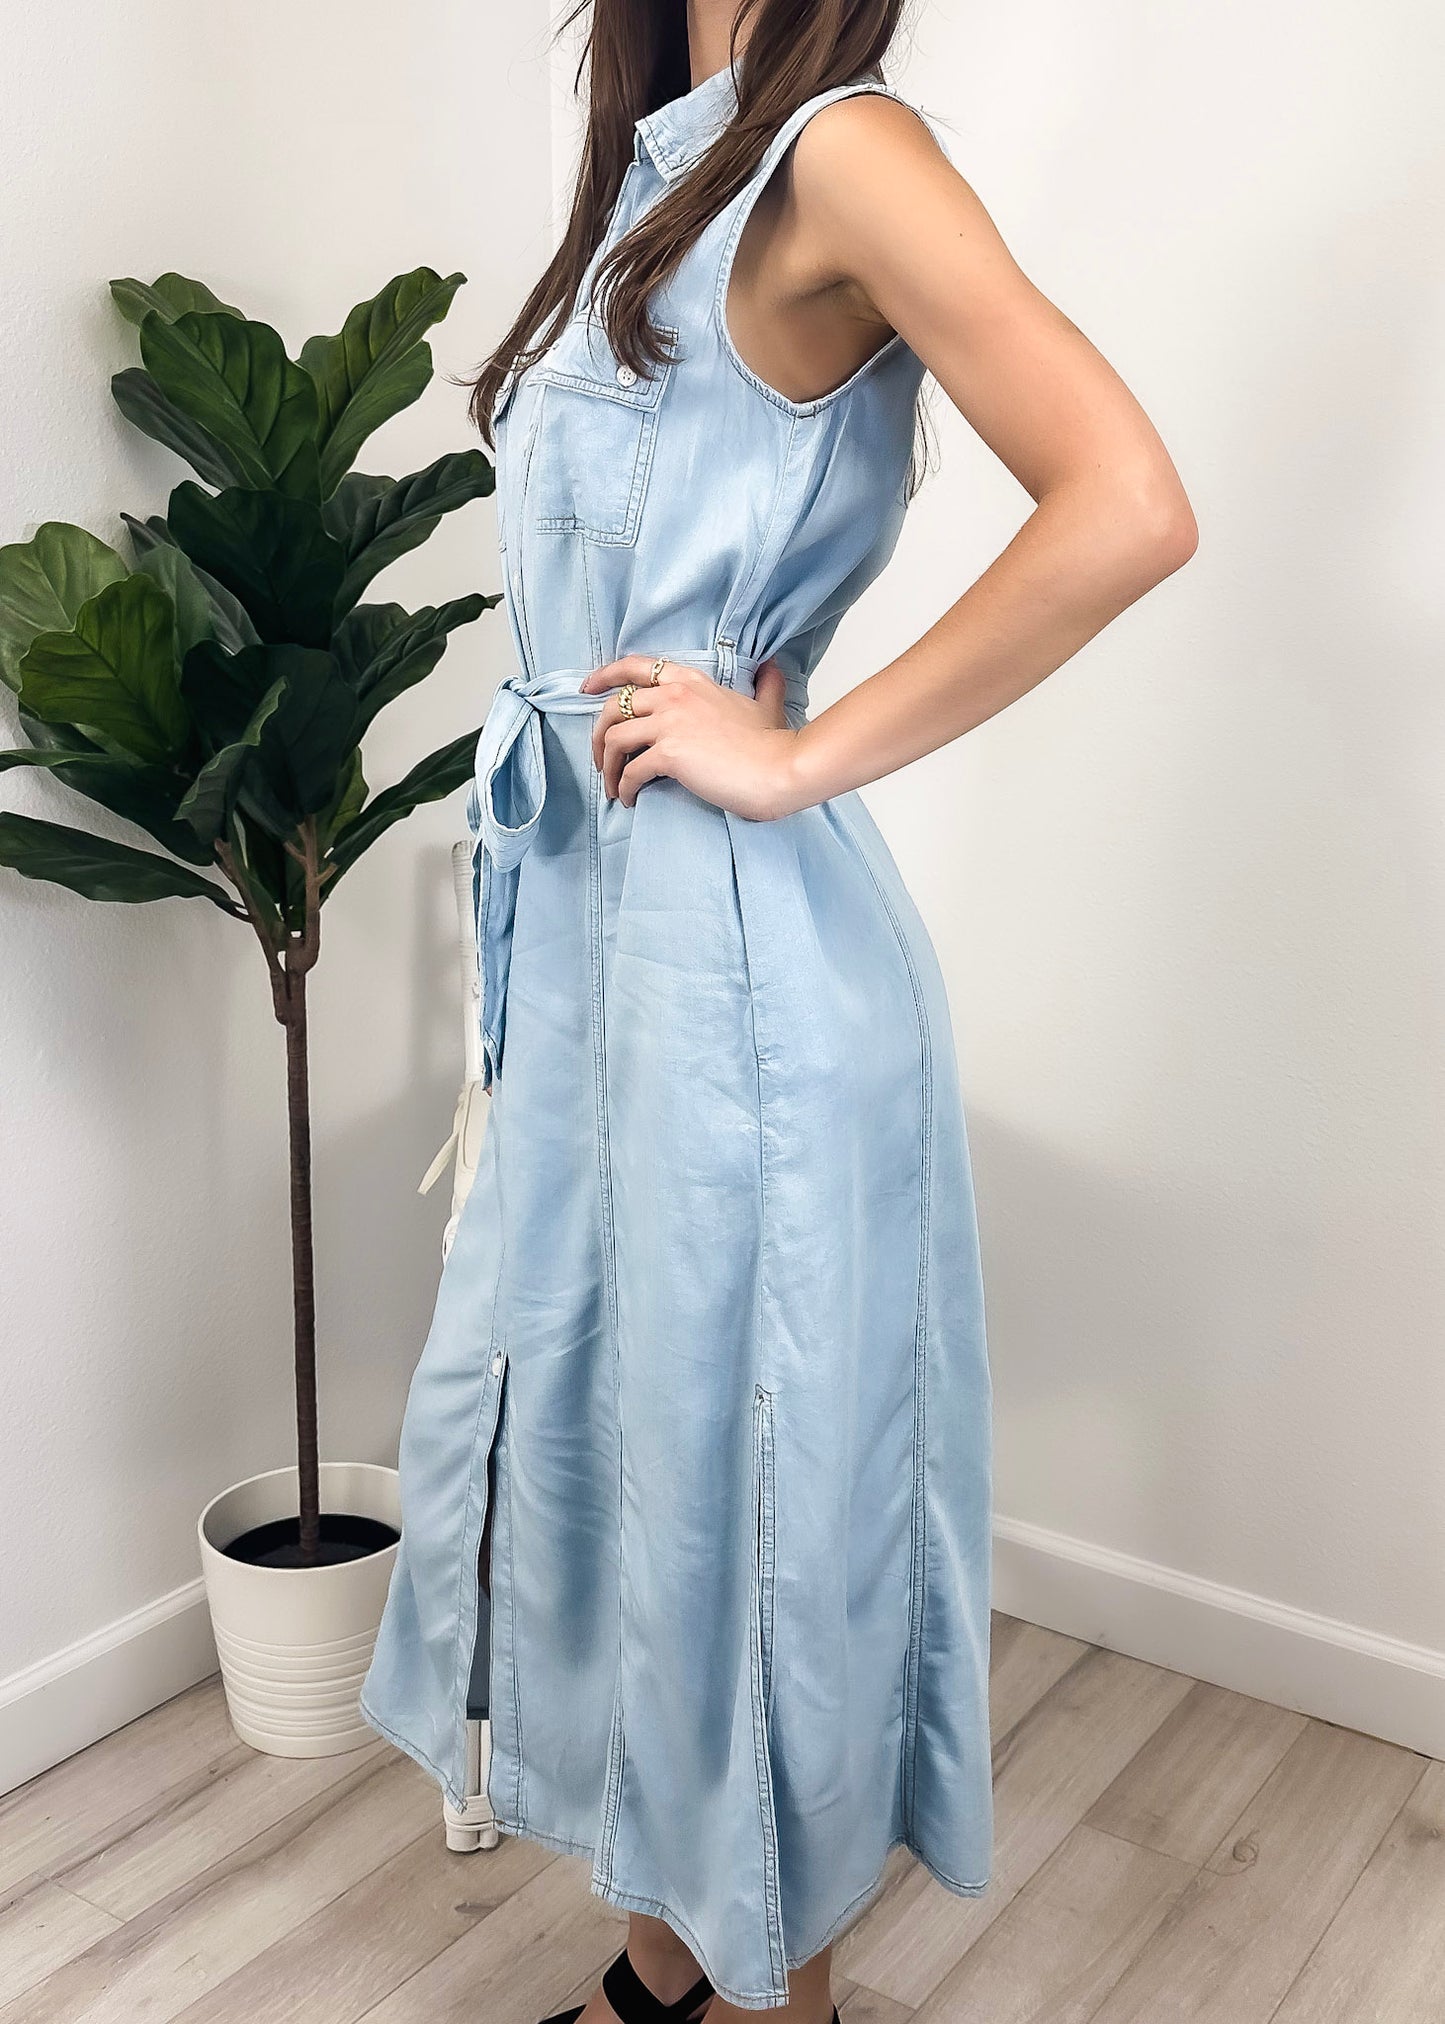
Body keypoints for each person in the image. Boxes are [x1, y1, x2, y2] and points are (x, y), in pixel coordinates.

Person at [360, 0, 1197, 2018]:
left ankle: (775, 1995)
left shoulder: (841, 152)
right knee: (626, 1457)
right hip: (596, 939)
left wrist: (799, 750)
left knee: (740, 1491)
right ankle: (663, 1970)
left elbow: (1126, 499)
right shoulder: (667, 169)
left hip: (730, 966)